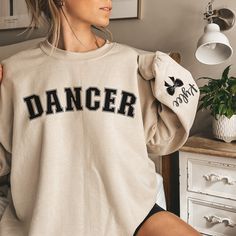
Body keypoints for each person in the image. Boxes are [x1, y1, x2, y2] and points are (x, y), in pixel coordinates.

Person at [0, 0, 201, 235]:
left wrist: (165, 74)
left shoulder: (132, 64)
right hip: (45, 220)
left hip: (133, 212)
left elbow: (161, 142)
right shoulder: (17, 74)